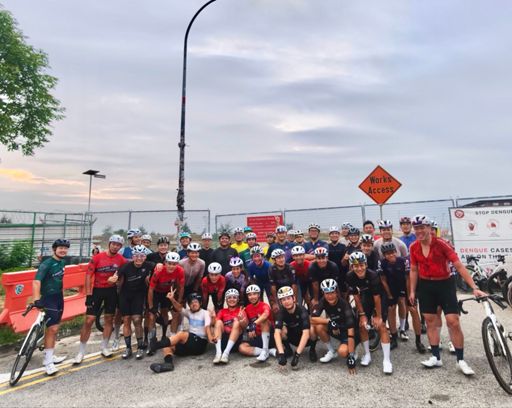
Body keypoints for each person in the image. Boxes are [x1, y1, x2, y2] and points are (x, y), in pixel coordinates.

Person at [408, 215, 485, 376]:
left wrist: (474, 287)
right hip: (426, 285)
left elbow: (459, 265)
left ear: (429, 228)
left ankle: (461, 360)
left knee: (453, 321)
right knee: (430, 321)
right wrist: (412, 291)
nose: (419, 231)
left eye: (422, 227)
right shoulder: (414, 247)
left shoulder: (442, 244)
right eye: (416, 228)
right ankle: (436, 357)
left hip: (445, 284)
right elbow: (414, 269)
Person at [74, 235, 126, 364]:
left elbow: (124, 275)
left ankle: (104, 347)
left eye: (118, 245)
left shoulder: (121, 260)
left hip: (111, 292)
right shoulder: (97, 258)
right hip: (97, 291)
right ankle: (81, 352)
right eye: (113, 244)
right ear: (109, 244)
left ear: (120, 247)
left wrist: (118, 282)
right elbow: (88, 275)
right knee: (89, 320)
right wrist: (88, 294)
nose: (115, 247)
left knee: (109, 319)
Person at [346, 252, 393, 374]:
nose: (359, 268)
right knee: (362, 325)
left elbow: (377, 298)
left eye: (361, 265)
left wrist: (378, 316)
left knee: (381, 325)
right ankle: (367, 354)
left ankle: (387, 360)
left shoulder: (373, 275)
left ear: (366, 265)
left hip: (379, 297)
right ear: (351, 266)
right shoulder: (350, 276)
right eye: (356, 266)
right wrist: (362, 315)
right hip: (366, 296)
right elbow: (356, 296)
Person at [378, 242, 426, 354]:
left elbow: (408, 279)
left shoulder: (404, 261)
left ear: (396, 252)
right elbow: (383, 280)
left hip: (404, 286)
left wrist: (410, 296)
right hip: (390, 288)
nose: (391, 255)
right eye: (387, 254)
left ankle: (418, 340)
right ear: (384, 255)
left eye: (392, 252)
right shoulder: (381, 263)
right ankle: (394, 337)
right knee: (391, 309)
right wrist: (389, 295)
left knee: (413, 310)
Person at [149, 291, 214, 373]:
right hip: (190, 344)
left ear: (200, 303)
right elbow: (179, 308)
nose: (193, 304)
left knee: (181, 334)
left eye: (196, 302)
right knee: (167, 345)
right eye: (191, 303)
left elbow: (207, 326)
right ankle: (168, 364)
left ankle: (156, 345)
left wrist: (210, 337)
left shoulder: (205, 313)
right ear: (189, 305)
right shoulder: (189, 313)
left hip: (200, 344)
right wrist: (172, 299)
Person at [33, 239, 70, 375]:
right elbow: (36, 281)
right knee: (52, 329)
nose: (63, 250)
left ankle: (49, 355)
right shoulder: (47, 263)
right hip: (48, 299)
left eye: (65, 248)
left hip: (59, 298)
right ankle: (48, 363)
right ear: (54, 249)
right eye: (60, 248)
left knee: (54, 329)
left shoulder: (62, 262)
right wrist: (37, 299)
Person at [116, 245, 155, 360]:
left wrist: (159, 266)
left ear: (145, 257)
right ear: (132, 257)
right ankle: (128, 348)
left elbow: (160, 267)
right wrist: (113, 280)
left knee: (137, 320)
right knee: (126, 320)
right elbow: (116, 278)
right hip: (125, 295)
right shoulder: (125, 267)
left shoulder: (149, 265)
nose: (139, 258)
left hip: (138, 295)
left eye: (142, 256)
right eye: (136, 256)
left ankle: (140, 347)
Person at [310, 279, 357, 373]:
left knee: (343, 352)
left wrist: (351, 356)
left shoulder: (344, 304)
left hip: (349, 332)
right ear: (323, 293)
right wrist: (329, 321)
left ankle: (353, 350)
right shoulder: (323, 300)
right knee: (318, 326)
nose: (330, 296)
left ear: (336, 292)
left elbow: (351, 331)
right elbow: (312, 319)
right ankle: (332, 351)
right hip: (336, 328)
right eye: (327, 293)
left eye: (332, 293)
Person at [147, 252, 185, 346]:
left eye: (174, 264)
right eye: (169, 263)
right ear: (165, 263)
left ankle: (166, 336)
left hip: (167, 293)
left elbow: (181, 287)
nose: (171, 266)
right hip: (156, 292)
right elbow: (151, 289)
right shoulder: (159, 271)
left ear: (177, 264)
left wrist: (178, 302)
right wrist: (151, 307)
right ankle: (152, 340)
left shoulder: (180, 270)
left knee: (167, 314)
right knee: (152, 316)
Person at [274, 286, 317, 367]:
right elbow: (276, 333)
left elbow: (306, 333)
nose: (286, 301)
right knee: (281, 329)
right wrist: (281, 353)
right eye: (283, 299)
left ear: (293, 298)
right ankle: (288, 350)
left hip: (305, 338)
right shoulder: (281, 312)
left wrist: (297, 354)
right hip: (292, 337)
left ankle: (312, 350)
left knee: (312, 329)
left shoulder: (302, 310)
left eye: (288, 298)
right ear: (280, 302)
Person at [239, 285, 276, 362]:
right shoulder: (247, 308)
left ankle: (265, 350)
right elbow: (246, 324)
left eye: (254, 294)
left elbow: (265, 314)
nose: (252, 297)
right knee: (242, 348)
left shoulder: (264, 305)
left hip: (270, 336)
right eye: (250, 295)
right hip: (257, 336)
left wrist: (254, 324)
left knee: (263, 321)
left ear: (259, 295)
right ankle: (267, 351)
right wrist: (244, 323)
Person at [212, 288, 247, 364]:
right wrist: (213, 318)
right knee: (218, 322)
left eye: (234, 297)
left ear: (238, 299)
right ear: (226, 300)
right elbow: (215, 324)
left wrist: (241, 321)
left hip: (236, 342)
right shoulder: (222, 311)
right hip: (223, 342)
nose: (232, 299)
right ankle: (218, 354)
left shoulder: (241, 311)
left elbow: (245, 326)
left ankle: (225, 354)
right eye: (229, 297)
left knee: (237, 322)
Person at [268, 249, 298, 314]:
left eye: (282, 257)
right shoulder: (271, 269)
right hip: (278, 289)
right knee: (276, 308)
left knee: (296, 306)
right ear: (274, 260)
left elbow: (294, 284)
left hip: (290, 288)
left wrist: (294, 297)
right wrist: (276, 301)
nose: (281, 260)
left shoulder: (290, 267)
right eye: (278, 258)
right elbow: (273, 287)